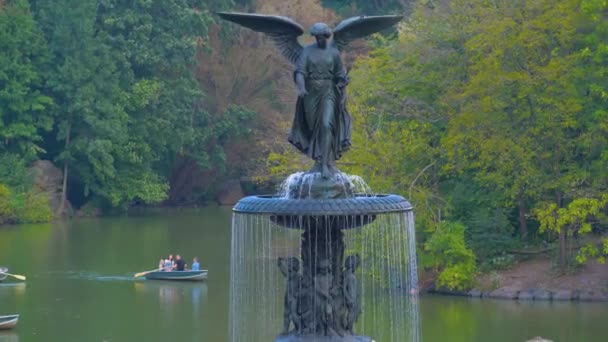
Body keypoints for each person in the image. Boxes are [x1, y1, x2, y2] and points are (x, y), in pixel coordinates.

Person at [290, 22, 351, 179]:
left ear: (327, 36)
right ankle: (318, 161)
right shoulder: (307, 51)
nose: (319, 40)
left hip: (328, 91)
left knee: (326, 124)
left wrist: (342, 81)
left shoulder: (334, 53)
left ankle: (325, 164)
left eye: (322, 37)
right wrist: (302, 88)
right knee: (312, 128)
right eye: (317, 37)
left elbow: (339, 73)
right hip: (310, 93)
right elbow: (300, 72)